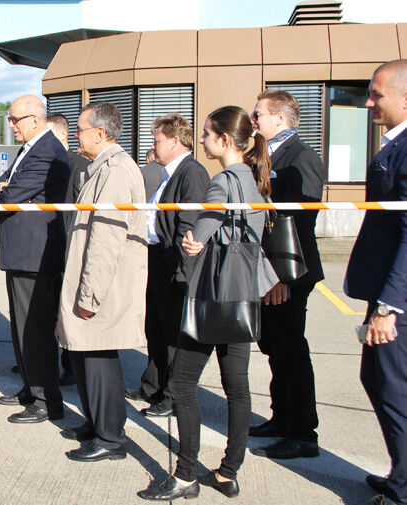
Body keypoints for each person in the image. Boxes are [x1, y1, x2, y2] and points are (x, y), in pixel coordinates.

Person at [138, 106, 277, 501]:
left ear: (224, 140)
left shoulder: (222, 182)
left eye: (205, 134)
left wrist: (192, 239)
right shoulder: (253, 177)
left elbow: (198, 236)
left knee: (182, 382)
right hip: (243, 295)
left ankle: (185, 475)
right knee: (238, 387)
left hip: (211, 297)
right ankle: (230, 472)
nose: (200, 140)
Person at [55, 102, 147, 462]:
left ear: (101, 133)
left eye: (79, 129)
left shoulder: (117, 170)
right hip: (91, 279)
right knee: (84, 355)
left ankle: (111, 438)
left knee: (99, 357)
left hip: (103, 284)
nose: (76, 135)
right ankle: (96, 423)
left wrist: (91, 292)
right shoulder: (101, 168)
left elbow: (106, 239)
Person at [248, 89, 325, 459]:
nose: (254, 120)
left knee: (291, 350)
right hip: (271, 271)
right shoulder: (268, 154)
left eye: (258, 114)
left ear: (280, 118)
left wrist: (280, 277)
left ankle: (303, 433)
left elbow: (300, 223)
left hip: (290, 272)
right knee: (275, 348)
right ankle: (282, 418)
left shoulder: (301, 157)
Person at [345, 58, 407, 505]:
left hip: (396, 296)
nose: (368, 102)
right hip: (385, 289)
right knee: (379, 381)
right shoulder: (394, 144)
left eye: (377, 94)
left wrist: (390, 305)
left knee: (393, 388)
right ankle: (400, 473)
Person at [0, 94, 70, 423]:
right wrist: (1, 188)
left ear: (35, 120)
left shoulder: (46, 151)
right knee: (23, 327)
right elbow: (0, 183)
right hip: (23, 253)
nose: (11, 125)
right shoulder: (30, 149)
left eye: (15, 119)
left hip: (35, 255)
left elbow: (8, 194)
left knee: (35, 329)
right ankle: (30, 387)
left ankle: (45, 400)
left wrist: (1, 189)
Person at [127, 114, 209, 417]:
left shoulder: (191, 173)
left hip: (173, 262)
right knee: (156, 328)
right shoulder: (170, 173)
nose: (154, 146)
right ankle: (153, 386)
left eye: (158, 141)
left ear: (175, 142)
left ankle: (173, 395)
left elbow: (188, 225)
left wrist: (179, 268)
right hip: (156, 258)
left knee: (173, 333)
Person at [47, 112, 90, 387]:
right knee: (48, 310)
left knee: (67, 313)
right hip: (48, 248)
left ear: (63, 135)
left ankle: (71, 366)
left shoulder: (78, 164)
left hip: (67, 249)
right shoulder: (47, 163)